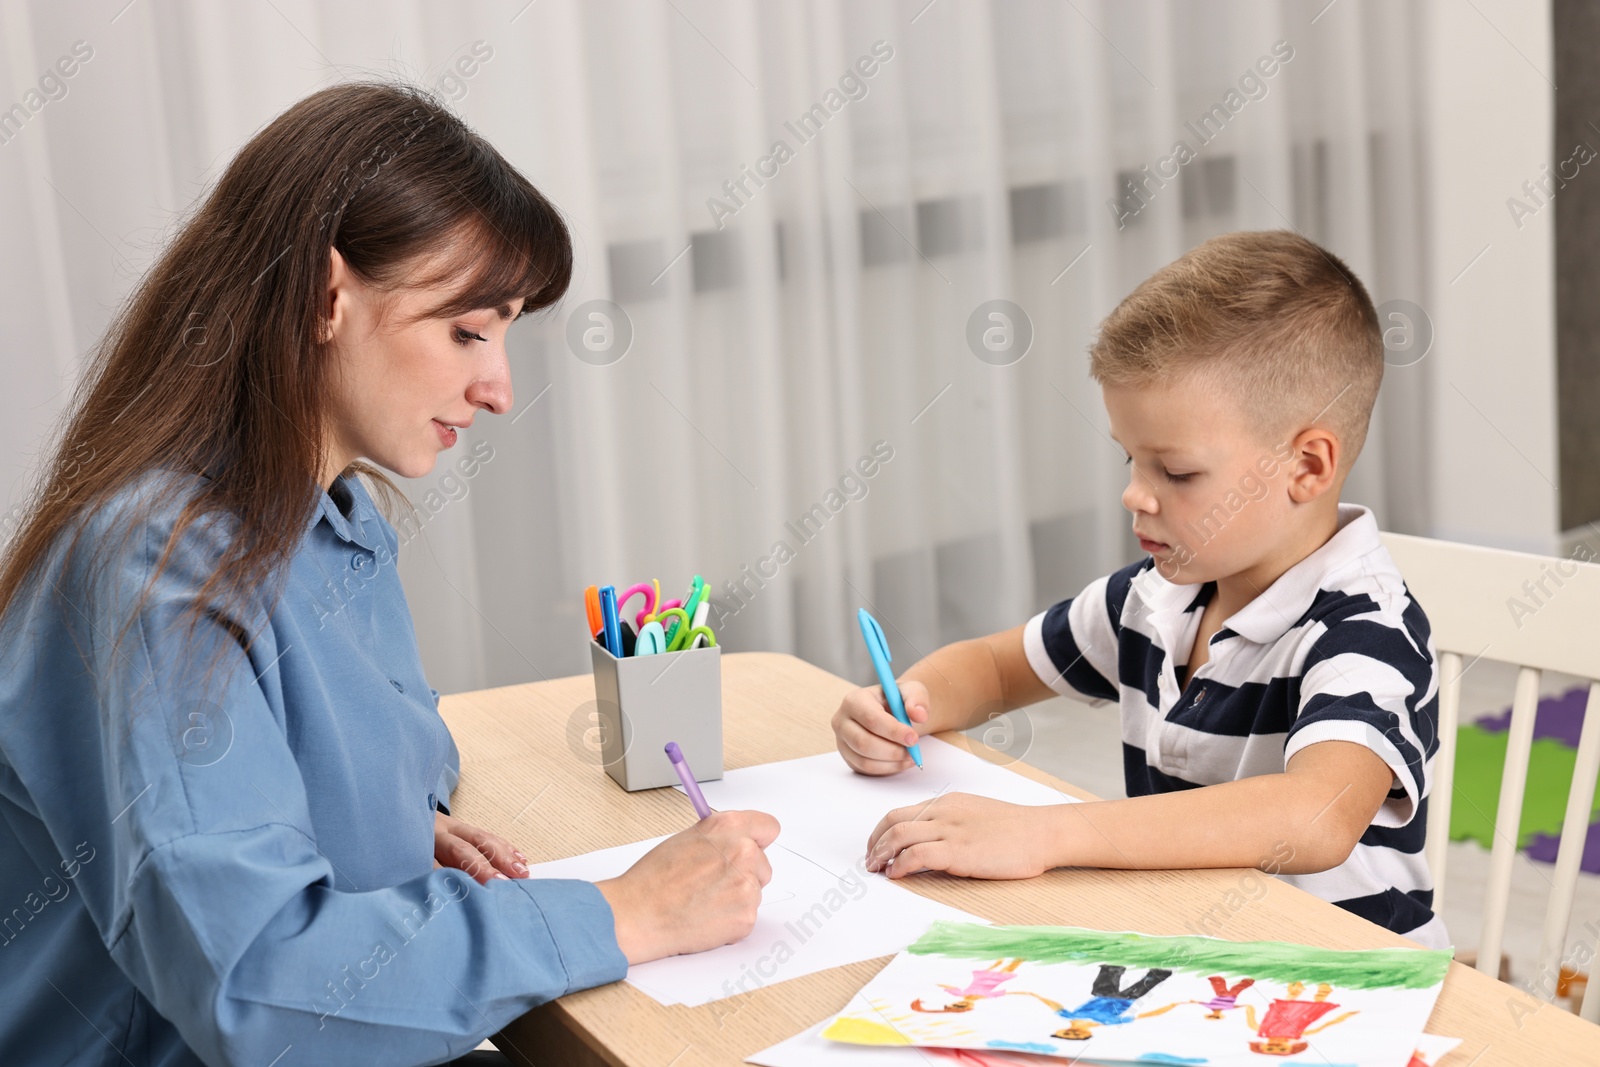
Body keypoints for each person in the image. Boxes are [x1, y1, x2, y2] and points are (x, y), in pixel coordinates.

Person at [0, 82, 777, 1066]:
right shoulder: (161, 565)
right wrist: (623, 914)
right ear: (328, 295)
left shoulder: (331, 521)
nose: (496, 388)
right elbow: (256, 983)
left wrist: (408, 819)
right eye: (467, 330)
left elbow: (378, 735)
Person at [833, 231, 1447, 950]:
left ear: (1307, 466)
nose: (1134, 495)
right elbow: (996, 668)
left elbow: (1313, 815)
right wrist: (907, 704)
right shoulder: (1154, 599)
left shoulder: (1367, 628)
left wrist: (1047, 832)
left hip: (1347, 992)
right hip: (1188, 957)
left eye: (1176, 472)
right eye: (1131, 459)